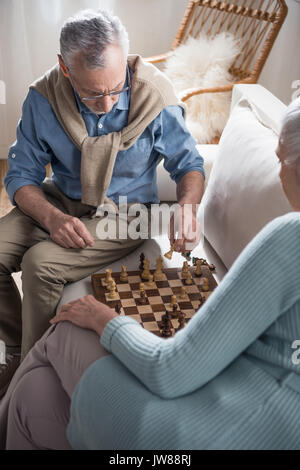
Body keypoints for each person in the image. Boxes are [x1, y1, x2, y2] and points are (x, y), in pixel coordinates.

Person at [0, 98, 300, 451]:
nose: (278, 173)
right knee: (33, 396)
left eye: (280, 160)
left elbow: (172, 370)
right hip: (250, 419)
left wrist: (105, 318)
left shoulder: (290, 235)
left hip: (195, 431)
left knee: (65, 327)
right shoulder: (45, 97)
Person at [0, 8, 205, 392]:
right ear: (65, 68)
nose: (109, 104)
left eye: (117, 88)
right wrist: (50, 217)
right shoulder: (43, 98)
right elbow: (21, 176)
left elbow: (189, 164)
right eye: (93, 94)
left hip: (126, 213)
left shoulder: (155, 96)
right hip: (60, 198)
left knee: (39, 263)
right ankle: (16, 349)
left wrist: (187, 207)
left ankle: (28, 375)